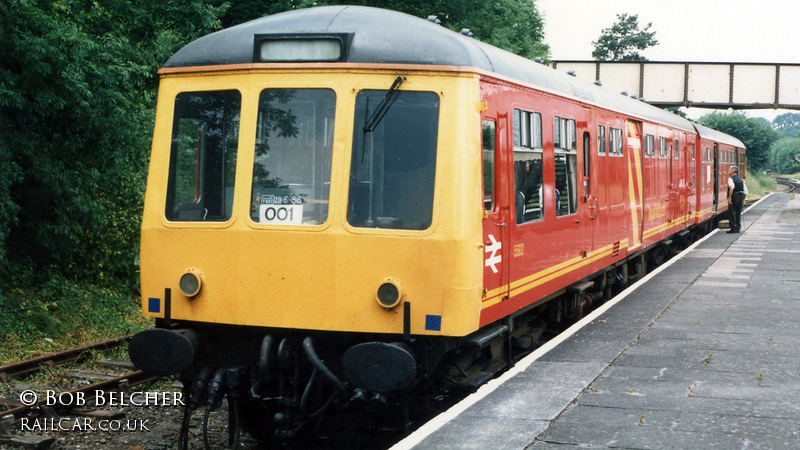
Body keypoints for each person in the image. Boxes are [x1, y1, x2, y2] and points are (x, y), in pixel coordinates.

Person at [726, 166, 747, 233]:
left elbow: (732, 188)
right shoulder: (741, 180)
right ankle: (738, 228)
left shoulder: (730, 179)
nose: (729, 171)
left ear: (732, 172)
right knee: (738, 213)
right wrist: (743, 200)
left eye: (729, 170)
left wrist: (729, 198)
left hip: (734, 197)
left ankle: (733, 228)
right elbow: (745, 191)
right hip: (740, 196)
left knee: (732, 213)